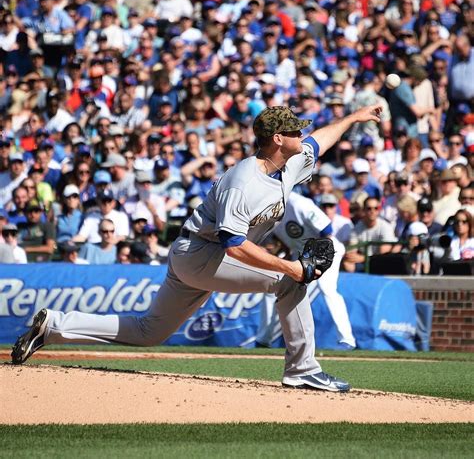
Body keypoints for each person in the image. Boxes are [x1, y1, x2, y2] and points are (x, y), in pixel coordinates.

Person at [11, 104, 382, 393]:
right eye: (292, 129)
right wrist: (289, 267)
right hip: (204, 254)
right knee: (290, 283)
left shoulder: (287, 164)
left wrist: (354, 117)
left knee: (149, 331)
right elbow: (234, 245)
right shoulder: (244, 181)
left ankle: (56, 325)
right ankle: (303, 371)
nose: (301, 132)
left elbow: (320, 140)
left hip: (194, 255)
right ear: (277, 139)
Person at [257, 192, 356, 350]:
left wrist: (320, 260)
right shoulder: (266, 209)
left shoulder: (298, 204)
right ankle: (263, 340)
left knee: (327, 289)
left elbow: (326, 230)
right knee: (275, 288)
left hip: (325, 248)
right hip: (301, 254)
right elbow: (284, 241)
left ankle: (347, 340)